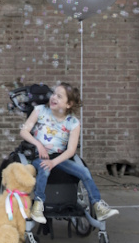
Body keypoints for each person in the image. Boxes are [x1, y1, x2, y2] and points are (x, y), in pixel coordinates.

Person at [20, 82, 118, 224]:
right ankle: (38, 205)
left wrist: (53, 162)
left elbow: (71, 150)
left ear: (69, 104)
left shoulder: (73, 123)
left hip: (59, 158)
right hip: (38, 155)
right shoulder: (40, 110)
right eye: (53, 94)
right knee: (45, 169)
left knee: (84, 171)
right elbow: (23, 131)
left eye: (59, 96)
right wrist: (38, 144)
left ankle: (98, 206)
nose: (54, 97)